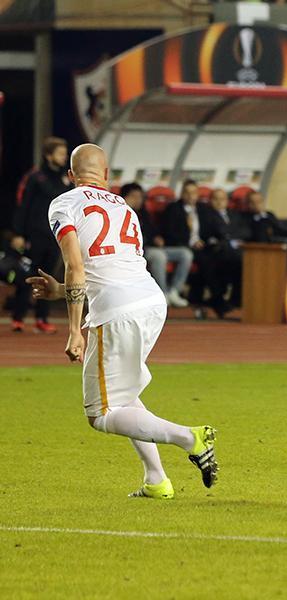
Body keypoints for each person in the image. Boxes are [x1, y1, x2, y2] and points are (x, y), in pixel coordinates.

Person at [25, 144, 218, 499]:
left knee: (99, 414)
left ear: (71, 175)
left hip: (117, 312)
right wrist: (60, 292)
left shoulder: (64, 203)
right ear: (107, 174)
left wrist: (74, 330)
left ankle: (190, 438)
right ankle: (156, 480)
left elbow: (77, 266)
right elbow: (113, 270)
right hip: (151, 301)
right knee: (123, 396)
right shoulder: (125, 207)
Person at [10, 136, 71, 333]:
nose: (64, 157)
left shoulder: (66, 179)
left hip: (54, 236)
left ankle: (42, 319)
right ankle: (18, 317)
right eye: (60, 153)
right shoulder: (35, 177)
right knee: (26, 275)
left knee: (48, 277)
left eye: (65, 153)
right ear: (48, 155)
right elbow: (23, 205)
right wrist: (18, 233)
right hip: (34, 235)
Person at [120, 182, 192, 308]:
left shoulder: (143, 212)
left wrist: (156, 237)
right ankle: (163, 293)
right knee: (159, 256)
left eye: (140, 197)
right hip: (137, 250)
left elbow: (152, 230)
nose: (138, 200)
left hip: (152, 247)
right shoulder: (120, 212)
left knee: (185, 254)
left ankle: (174, 291)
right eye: (134, 196)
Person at [200, 188, 251, 314]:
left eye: (222, 199)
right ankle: (221, 300)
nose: (219, 202)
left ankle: (236, 299)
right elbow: (218, 231)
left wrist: (230, 237)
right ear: (210, 200)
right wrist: (230, 237)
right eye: (216, 199)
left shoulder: (235, 214)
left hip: (237, 250)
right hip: (216, 251)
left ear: (227, 201)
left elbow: (246, 231)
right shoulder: (206, 215)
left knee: (244, 261)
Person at [160, 180, 208, 308]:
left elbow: (208, 229)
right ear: (182, 194)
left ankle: (201, 297)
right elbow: (169, 233)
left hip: (200, 246)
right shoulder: (173, 209)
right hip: (179, 246)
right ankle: (174, 291)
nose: (190, 196)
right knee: (190, 255)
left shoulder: (203, 209)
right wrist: (189, 240)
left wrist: (202, 241)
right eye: (187, 192)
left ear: (198, 194)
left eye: (193, 192)